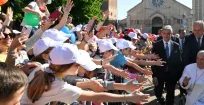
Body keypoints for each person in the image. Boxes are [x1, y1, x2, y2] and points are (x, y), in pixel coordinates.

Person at [21, 43, 150, 104]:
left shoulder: (44, 68)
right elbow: (96, 97)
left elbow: (84, 83)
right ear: (70, 66)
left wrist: (124, 87)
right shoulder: (57, 86)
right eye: (78, 64)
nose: (81, 67)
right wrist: (128, 97)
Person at [151, 25, 183, 105]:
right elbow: (153, 60)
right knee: (158, 92)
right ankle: (161, 100)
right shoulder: (156, 45)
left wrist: (179, 75)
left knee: (171, 93)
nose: (166, 35)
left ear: (171, 34)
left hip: (172, 74)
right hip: (159, 73)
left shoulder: (176, 45)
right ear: (161, 34)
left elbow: (179, 61)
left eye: (168, 33)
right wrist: (154, 75)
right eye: (164, 33)